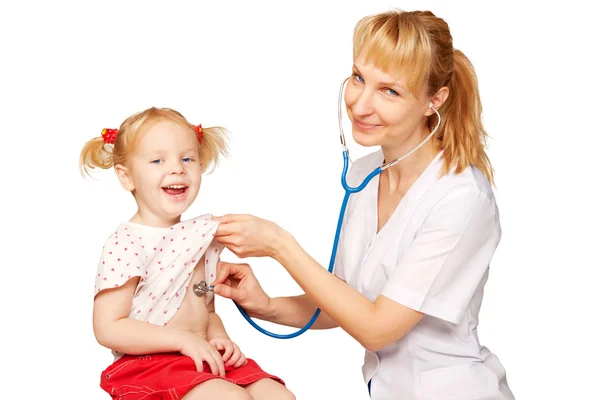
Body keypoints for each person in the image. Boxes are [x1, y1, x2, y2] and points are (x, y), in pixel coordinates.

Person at [212, 9, 515, 400]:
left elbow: (376, 326)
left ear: (433, 100)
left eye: (389, 91)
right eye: (358, 78)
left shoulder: (461, 199)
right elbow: (345, 300)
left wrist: (278, 245)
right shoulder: (366, 173)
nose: (359, 104)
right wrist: (265, 304)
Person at [80, 107, 294, 400]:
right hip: (150, 364)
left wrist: (220, 338)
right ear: (126, 177)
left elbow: (206, 312)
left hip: (200, 355)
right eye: (158, 160)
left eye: (187, 158)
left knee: (279, 396)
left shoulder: (200, 238)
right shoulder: (128, 242)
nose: (177, 168)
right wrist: (179, 340)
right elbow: (108, 328)